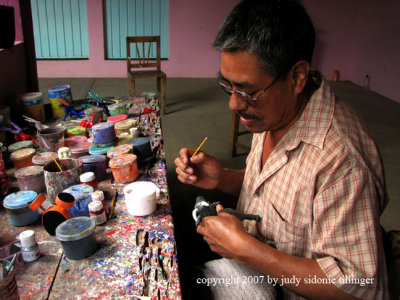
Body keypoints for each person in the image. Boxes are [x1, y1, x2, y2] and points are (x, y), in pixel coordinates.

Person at [174, 0, 389, 299]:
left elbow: (361, 288)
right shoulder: (275, 112)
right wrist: (224, 178)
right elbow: (281, 189)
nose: (234, 105)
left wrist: (250, 252)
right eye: (228, 87)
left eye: (247, 91)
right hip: (255, 273)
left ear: (297, 77)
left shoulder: (340, 161)